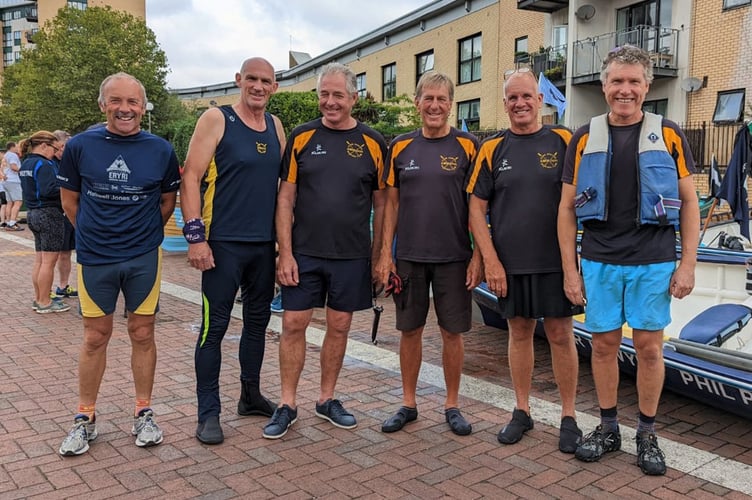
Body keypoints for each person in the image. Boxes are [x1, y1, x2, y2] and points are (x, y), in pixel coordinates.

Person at [558, 45, 699, 475]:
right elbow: (566, 209)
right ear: (604, 86)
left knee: (649, 348)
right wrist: (571, 270)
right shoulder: (584, 137)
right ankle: (607, 427)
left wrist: (687, 263)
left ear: (646, 86)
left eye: (633, 81)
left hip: (653, 260)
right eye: (617, 81)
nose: (625, 90)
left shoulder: (669, 133)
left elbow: (690, 203)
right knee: (602, 345)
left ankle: (647, 433)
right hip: (599, 259)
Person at [56, 72, 181, 456]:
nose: (125, 109)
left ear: (143, 107)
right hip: (96, 257)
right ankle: (85, 417)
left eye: (133, 102)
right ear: (102, 105)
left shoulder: (161, 149)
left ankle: (143, 411)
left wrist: (139, 236)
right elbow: (69, 202)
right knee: (96, 337)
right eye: (116, 101)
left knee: (142, 333)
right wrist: (97, 235)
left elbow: (166, 203)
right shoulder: (79, 146)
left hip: (144, 256)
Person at [263, 62, 387, 439]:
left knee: (340, 325)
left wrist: (381, 255)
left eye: (337, 95)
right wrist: (284, 252)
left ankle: (326, 398)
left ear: (353, 97)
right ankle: (287, 403)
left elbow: (383, 205)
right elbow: (285, 199)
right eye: (324, 94)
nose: (330, 102)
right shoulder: (301, 137)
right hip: (304, 253)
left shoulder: (374, 142)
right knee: (293, 324)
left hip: (351, 255)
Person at [466, 68, 582, 452]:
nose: (520, 104)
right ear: (505, 104)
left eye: (527, 96)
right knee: (518, 333)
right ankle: (522, 410)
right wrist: (491, 261)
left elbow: (584, 197)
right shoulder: (492, 148)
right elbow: (475, 208)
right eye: (513, 98)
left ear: (540, 99)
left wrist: (574, 267)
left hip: (555, 261)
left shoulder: (564, 140)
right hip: (510, 264)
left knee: (561, 335)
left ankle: (569, 416)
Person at [182, 57, 285, 445]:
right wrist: (196, 237)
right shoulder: (217, 119)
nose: (259, 86)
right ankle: (208, 412)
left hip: (263, 246)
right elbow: (190, 176)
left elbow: (283, 188)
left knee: (258, 325)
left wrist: (283, 246)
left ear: (275, 87)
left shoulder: (276, 126)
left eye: (267, 81)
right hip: (223, 243)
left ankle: (249, 394)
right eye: (252, 79)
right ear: (239, 80)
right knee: (214, 328)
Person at [377, 71, 482, 436]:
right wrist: (386, 256)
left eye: (441, 99)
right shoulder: (401, 146)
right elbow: (390, 205)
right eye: (428, 98)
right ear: (418, 102)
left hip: (454, 257)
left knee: (452, 333)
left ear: (450, 104)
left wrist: (478, 257)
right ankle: (409, 402)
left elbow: (478, 207)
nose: (434, 105)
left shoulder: (469, 145)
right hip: (409, 256)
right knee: (410, 331)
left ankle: (452, 404)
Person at [17, 131, 70, 314]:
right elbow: (50, 190)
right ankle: (45, 301)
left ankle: (39, 297)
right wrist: (67, 188)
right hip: (49, 213)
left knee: (40, 260)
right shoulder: (44, 164)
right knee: (49, 262)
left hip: (33, 213)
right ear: (44, 146)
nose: (55, 153)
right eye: (54, 148)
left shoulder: (27, 163)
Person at [51, 130, 78, 300]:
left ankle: (63, 285)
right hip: (55, 213)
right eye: (63, 148)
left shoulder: (69, 161)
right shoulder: (48, 163)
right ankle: (46, 289)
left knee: (66, 252)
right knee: (51, 255)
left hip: (69, 214)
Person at [3, 142, 24, 231]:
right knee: (18, 202)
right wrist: (23, 170)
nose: (17, 148)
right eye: (16, 146)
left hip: (7, 181)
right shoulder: (13, 155)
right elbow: (13, 167)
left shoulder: (6, 155)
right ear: (12, 147)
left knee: (10, 202)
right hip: (14, 181)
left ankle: (8, 222)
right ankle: (12, 223)